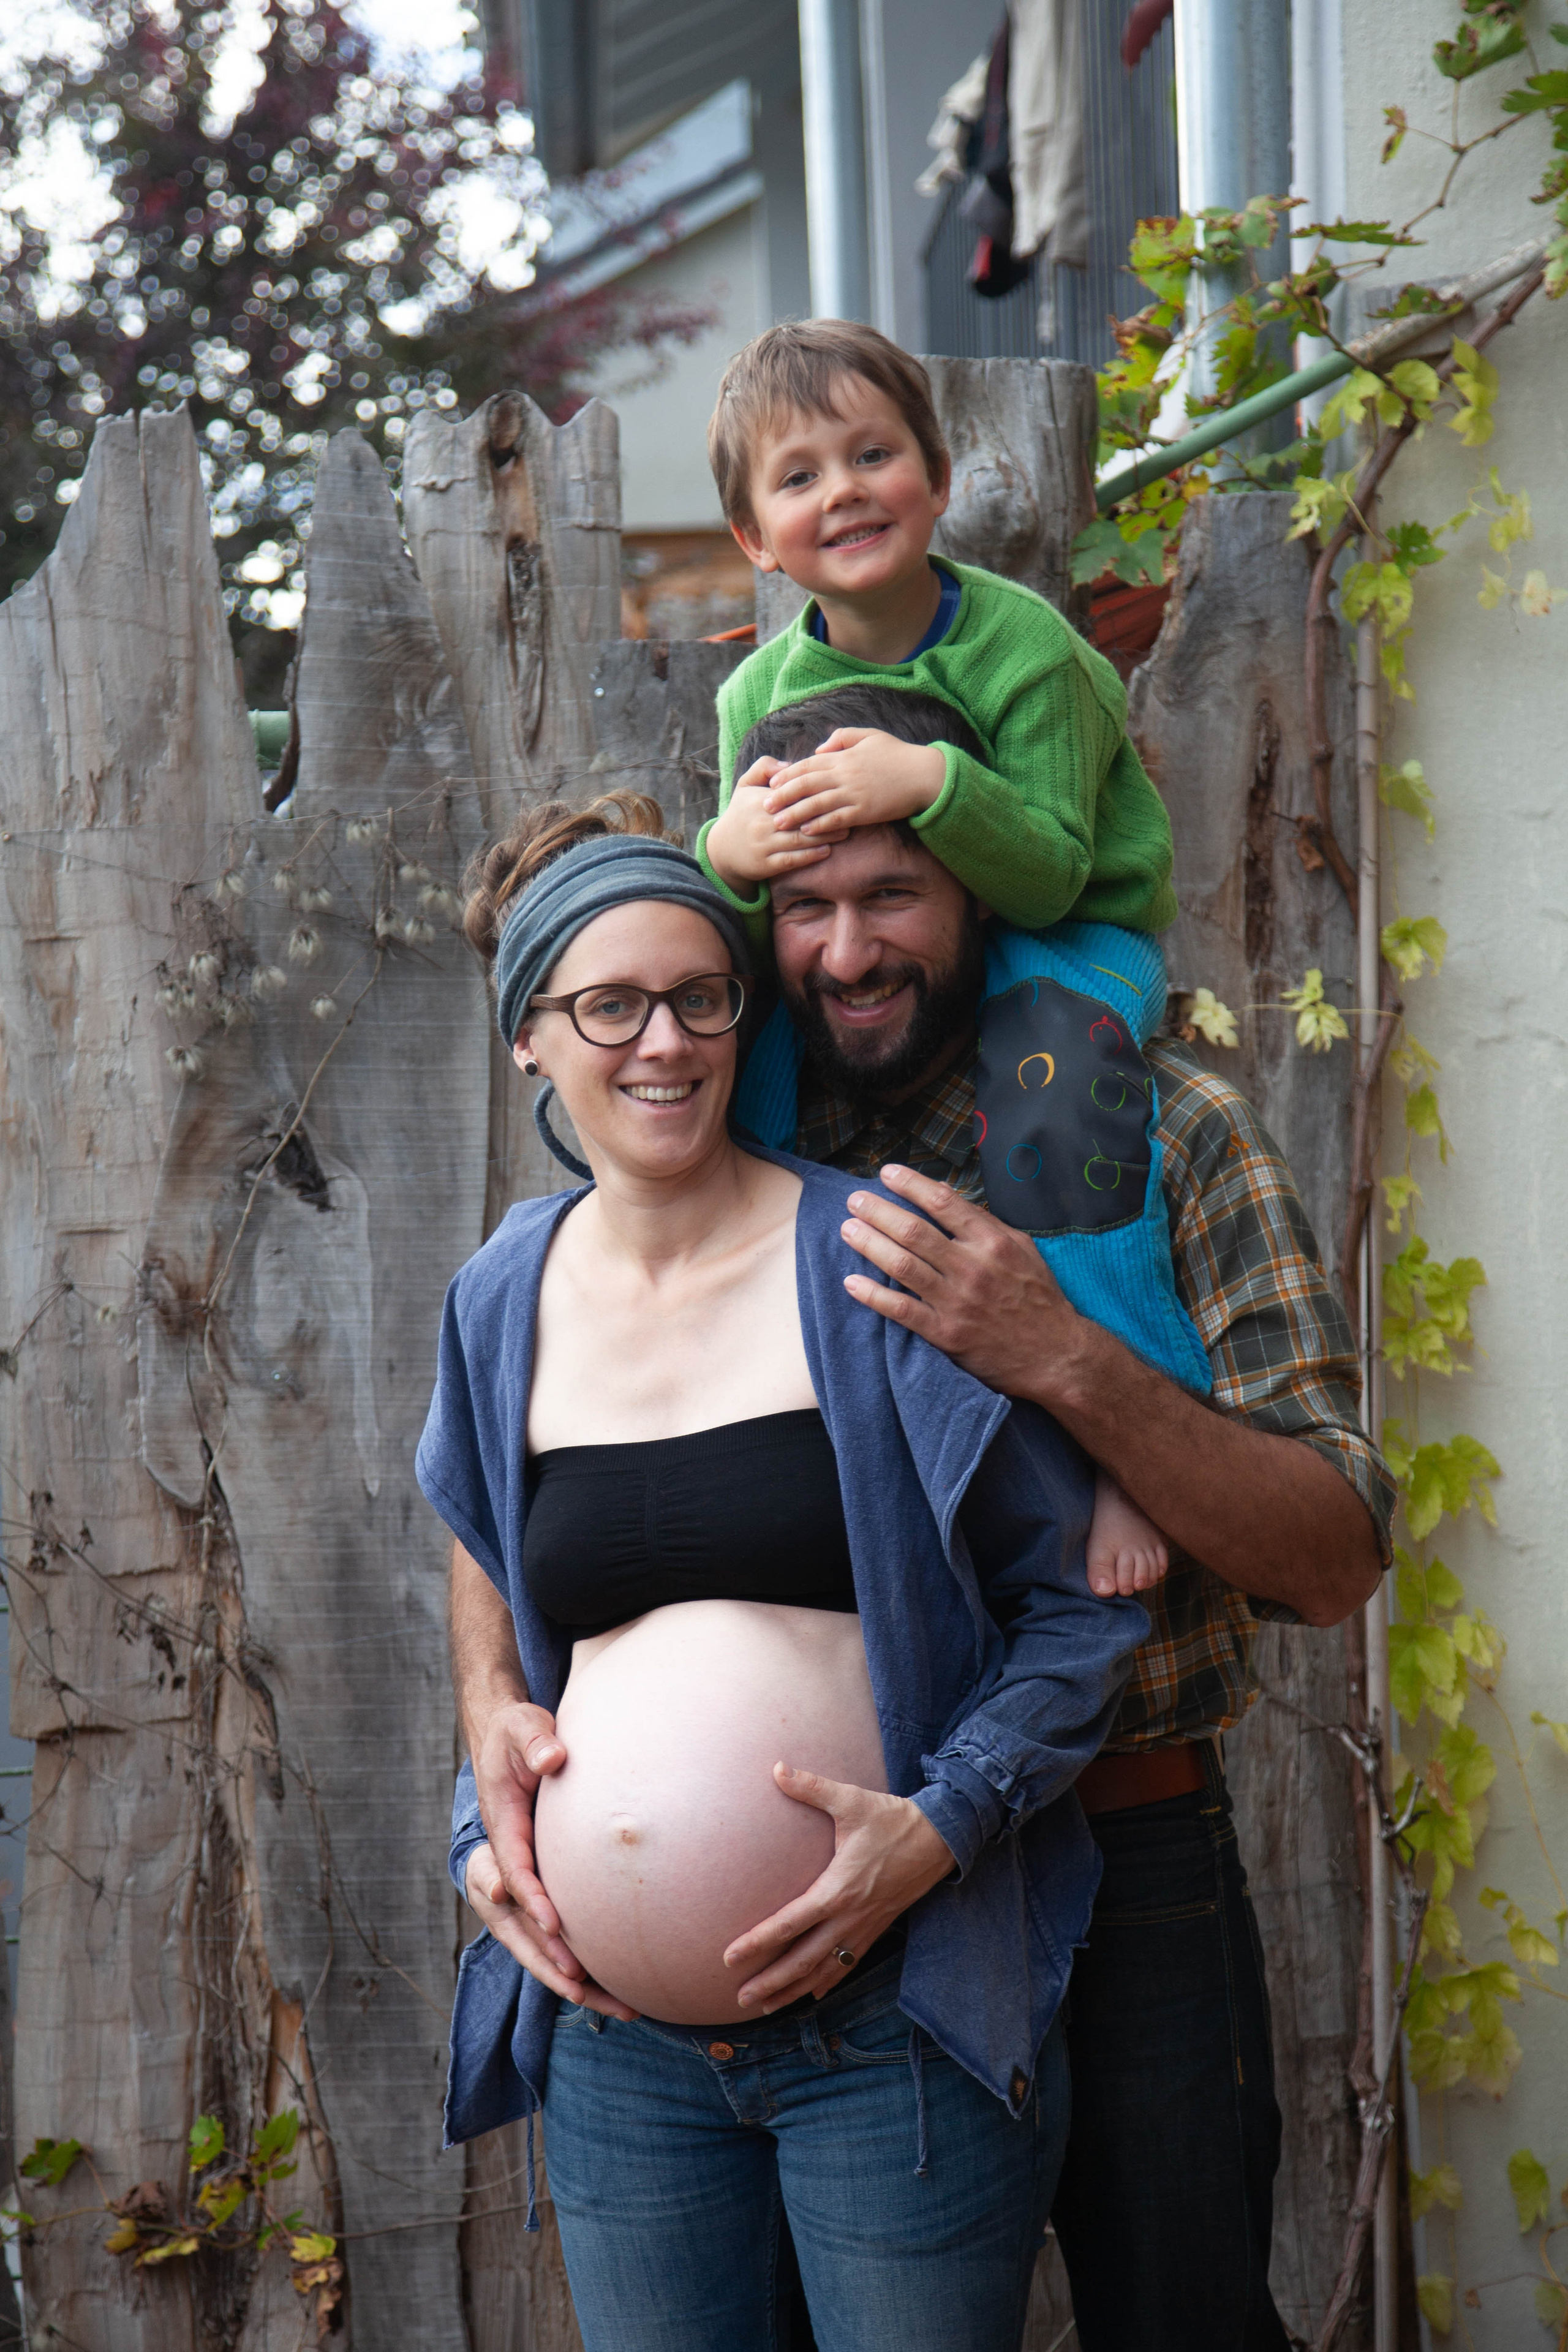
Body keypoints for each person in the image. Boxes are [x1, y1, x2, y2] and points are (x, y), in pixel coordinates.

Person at [421, 792, 1150, 2352]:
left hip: (890, 2024)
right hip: (620, 2060)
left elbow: (1072, 1610)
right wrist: (485, 1826)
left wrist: (940, 1831)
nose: (663, 1043)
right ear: (528, 1040)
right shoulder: (501, 1297)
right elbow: (491, 1571)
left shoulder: (875, 1263)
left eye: (697, 997)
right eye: (607, 1005)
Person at [727, 693, 1394, 2352]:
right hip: (839, 1880)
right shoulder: (743, 1144)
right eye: (805, 908)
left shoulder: (1143, 1124)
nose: (849, 949)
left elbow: (1332, 1552)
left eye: (892, 895)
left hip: (1129, 1860)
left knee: (1180, 2321)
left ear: (975, 886)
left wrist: (1062, 1356)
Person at [695, 320, 1190, 1597]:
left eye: (871, 454)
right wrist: (728, 850)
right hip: (891, 941)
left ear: (938, 474)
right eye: (797, 476)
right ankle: (743, 1371)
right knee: (750, 1094)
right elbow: (753, 907)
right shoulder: (754, 697)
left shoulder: (1026, 653)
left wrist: (933, 780)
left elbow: (1050, 872)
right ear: (754, 537)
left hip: (1069, 936)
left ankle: (1115, 1443)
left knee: (1060, 1119)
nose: (843, 490)